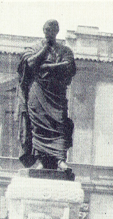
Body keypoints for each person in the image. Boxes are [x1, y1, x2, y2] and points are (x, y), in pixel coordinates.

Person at [17, 19, 77, 171]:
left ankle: (60, 159)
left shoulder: (65, 50)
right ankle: (41, 160)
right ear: (43, 30)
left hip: (57, 95)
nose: (50, 33)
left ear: (57, 31)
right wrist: (45, 49)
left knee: (60, 124)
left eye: (53, 30)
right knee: (38, 125)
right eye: (47, 30)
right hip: (37, 92)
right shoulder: (34, 47)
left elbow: (69, 66)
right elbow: (30, 64)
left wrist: (47, 67)